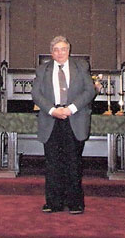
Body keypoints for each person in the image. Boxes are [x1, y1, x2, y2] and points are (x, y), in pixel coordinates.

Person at [31, 36, 97, 214]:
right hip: (51, 119)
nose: (60, 53)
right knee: (52, 163)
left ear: (69, 50)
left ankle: (75, 202)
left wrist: (71, 108)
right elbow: (36, 94)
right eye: (56, 49)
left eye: (63, 49)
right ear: (51, 52)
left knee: (73, 162)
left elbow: (89, 90)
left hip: (74, 118)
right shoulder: (42, 69)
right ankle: (53, 202)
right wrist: (53, 110)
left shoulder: (80, 66)